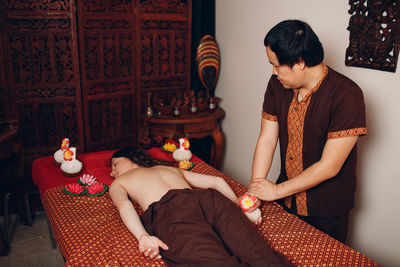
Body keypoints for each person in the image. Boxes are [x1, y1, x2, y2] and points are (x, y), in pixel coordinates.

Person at [247, 20, 367, 244]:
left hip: (327, 208)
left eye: (276, 65)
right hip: (284, 198)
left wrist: (274, 192)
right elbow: (267, 140)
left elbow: (329, 166)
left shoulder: (347, 95)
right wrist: (257, 188)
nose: (273, 72)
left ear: (299, 62)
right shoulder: (277, 85)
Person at [109, 145, 291, 266]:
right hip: (210, 200)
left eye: (115, 164)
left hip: (172, 212)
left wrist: (143, 237)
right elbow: (216, 182)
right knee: (256, 252)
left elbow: (125, 205)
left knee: (207, 260)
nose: (112, 172)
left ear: (130, 156)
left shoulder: (120, 182)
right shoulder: (170, 169)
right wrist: (236, 205)